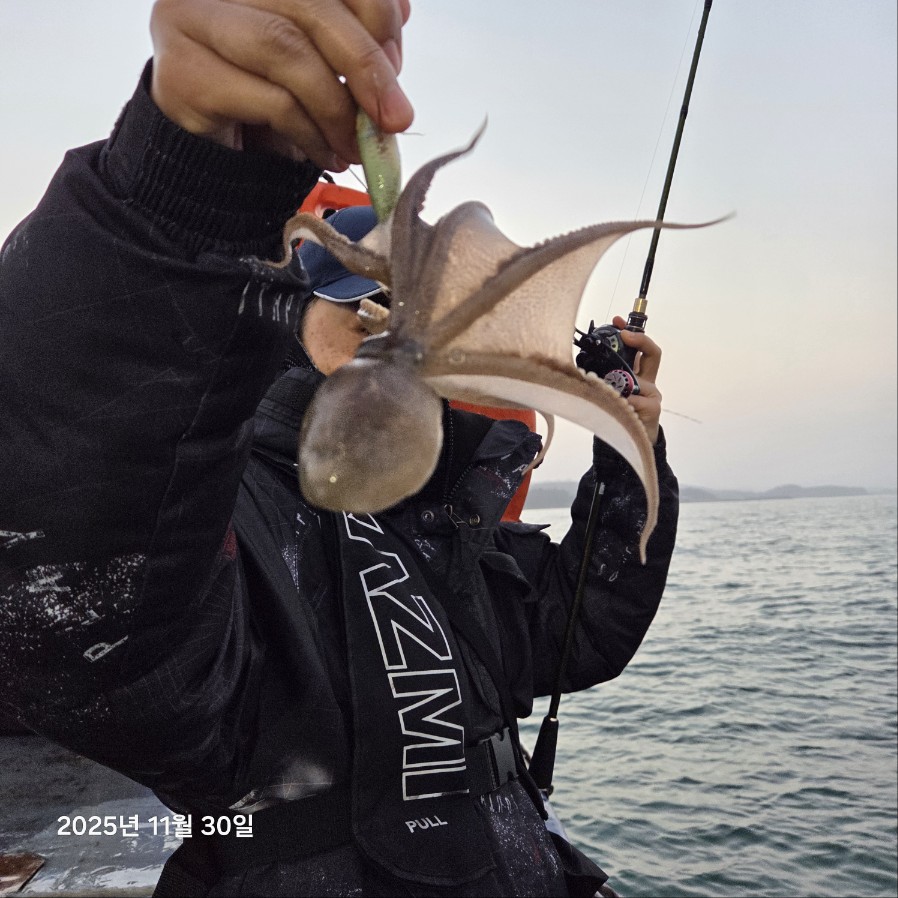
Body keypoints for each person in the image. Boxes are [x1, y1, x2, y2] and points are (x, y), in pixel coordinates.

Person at [0, 2, 678, 895]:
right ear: (312, 320)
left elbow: (574, 630)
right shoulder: (223, 521)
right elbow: (85, 546)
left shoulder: (445, 523)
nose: (416, 330)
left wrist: (631, 455)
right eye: (377, 301)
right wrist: (184, 181)